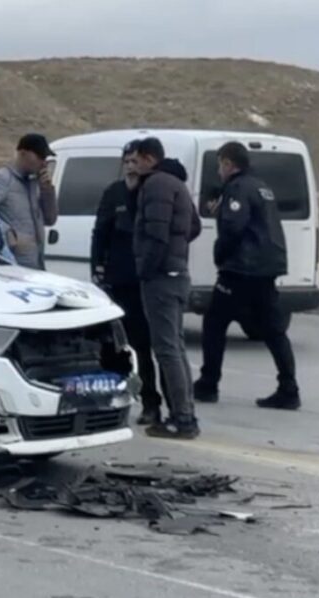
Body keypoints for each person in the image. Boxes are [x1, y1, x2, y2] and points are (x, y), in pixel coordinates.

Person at [194, 142, 300, 410]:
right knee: (274, 330)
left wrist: (220, 255)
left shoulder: (238, 188)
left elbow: (233, 227)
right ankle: (289, 388)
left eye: (220, 164)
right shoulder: (261, 187)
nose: (219, 171)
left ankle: (208, 384)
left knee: (214, 323)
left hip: (242, 269)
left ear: (229, 163)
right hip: (266, 269)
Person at [128, 137, 201, 439]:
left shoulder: (156, 184)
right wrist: (178, 247)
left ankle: (182, 418)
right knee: (176, 347)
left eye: (135, 160)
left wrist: (146, 268)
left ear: (148, 158)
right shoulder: (176, 184)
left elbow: (156, 233)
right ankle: (185, 413)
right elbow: (193, 226)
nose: (133, 166)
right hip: (176, 273)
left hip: (162, 278)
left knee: (167, 350)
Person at [91, 140, 163, 426]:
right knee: (111, 347)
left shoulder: (150, 192)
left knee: (143, 347)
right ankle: (110, 402)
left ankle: (151, 403)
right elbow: (100, 232)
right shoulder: (114, 193)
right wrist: (96, 269)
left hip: (142, 281)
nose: (132, 167)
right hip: (116, 279)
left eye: (136, 161)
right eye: (128, 162)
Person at [0, 134, 59, 269]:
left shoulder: (34, 184)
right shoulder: (2, 179)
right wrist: (7, 233)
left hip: (36, 264)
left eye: (45, 158)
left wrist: (47, 190)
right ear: (23, 153)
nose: (43, 162)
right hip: (12, 266)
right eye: (40, 157)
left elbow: (50, 219)